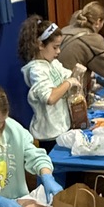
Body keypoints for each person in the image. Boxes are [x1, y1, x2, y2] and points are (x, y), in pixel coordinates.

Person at [18, 15, 83, 152]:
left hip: (62, 127)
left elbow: (68, 78)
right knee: (56, 169)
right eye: (55, 47)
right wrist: (69, 82)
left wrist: (77, 74)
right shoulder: (36, 70)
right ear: (40, 45)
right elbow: (50, 98)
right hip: (49, 134)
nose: (58, 52)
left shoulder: (53, 63)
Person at [58, 2, 104, 88]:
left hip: (54, 88)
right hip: (70, 90)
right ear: (98, 21)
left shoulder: (64, 30)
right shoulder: (92, 39)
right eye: (103, 22)